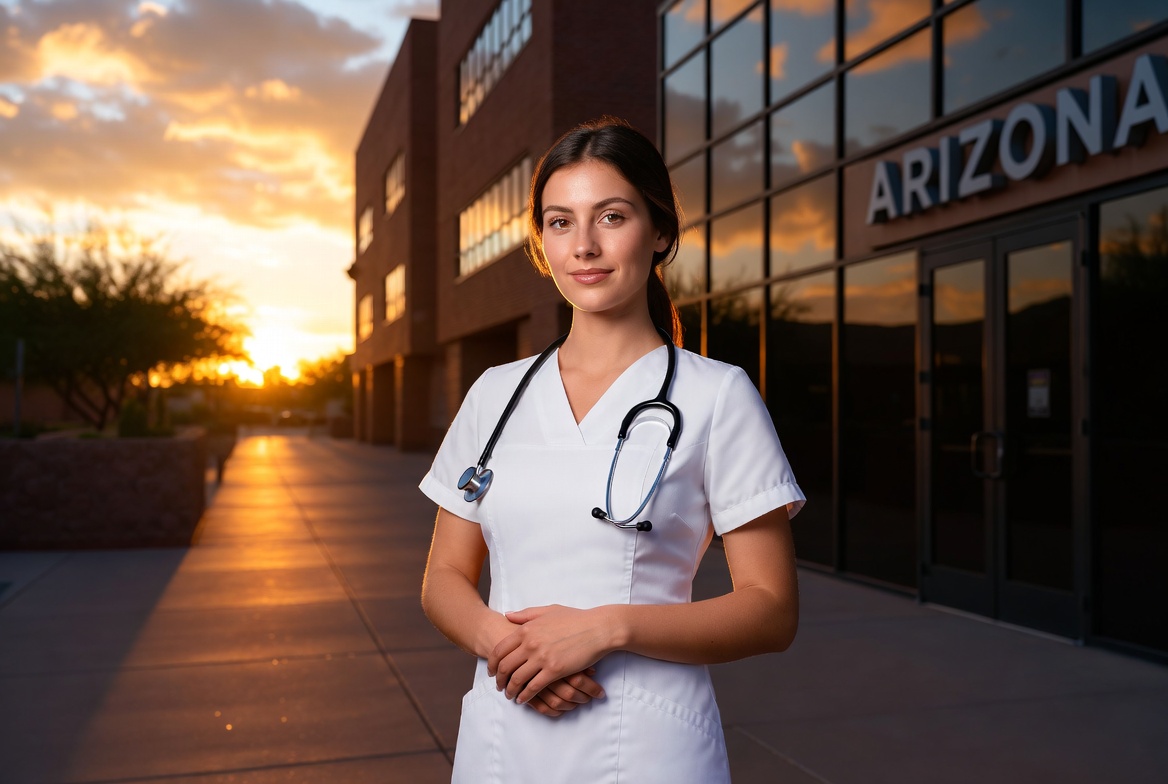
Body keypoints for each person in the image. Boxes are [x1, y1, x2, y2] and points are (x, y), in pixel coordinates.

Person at [419, 117, 804, 783]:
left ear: (659, 233)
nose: (586, 246)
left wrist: (606, 629)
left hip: (648, 742)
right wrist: (512, 651)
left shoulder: (718, 396)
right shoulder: (495, 394)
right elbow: (443, 579)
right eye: (561, 222)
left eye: (612, 216)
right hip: (504, 733)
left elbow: (770, 609)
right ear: (543, 243)